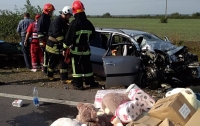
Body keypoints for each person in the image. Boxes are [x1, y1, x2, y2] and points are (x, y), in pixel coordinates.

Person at [64, 0, 99, 90]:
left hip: (76, 51)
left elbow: (68, 38)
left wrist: (64, 48)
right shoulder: (89, 23)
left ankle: (78, 84)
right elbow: (93, 36)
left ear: (74, 11)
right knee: (87, 67)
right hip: (86, 50)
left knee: (77, 68)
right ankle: (90, 82)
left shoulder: (74, 23)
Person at [46, 6, 73, 82]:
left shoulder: (64, 21)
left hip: (60, 45)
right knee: (52, 62)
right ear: (65, 13)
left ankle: (64, 78)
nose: (70, 17)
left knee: (64, 61)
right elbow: (57, 34)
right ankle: (49, 75)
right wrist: (64, 42)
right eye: (69, 15)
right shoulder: (57, 21)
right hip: (53, 45)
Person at [37, 3, 55, 74]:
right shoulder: (42, 19)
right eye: (51, 11)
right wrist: (42, 39)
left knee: (48, 54)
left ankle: (48, 68)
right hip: (44, 39)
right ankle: (45, 69)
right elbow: (39, 31)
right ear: (47, 11)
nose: (52, 13)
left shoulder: (47, 18)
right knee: (45, 54)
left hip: (47, 39)